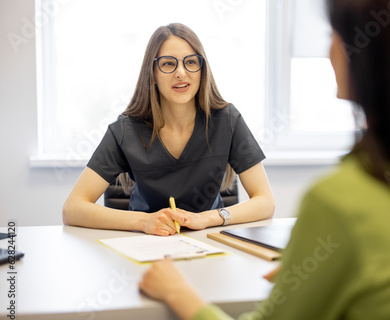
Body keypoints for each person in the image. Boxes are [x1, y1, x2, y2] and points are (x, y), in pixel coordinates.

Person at [139, 0, 390, 320]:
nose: (328, 49)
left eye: (334, 35)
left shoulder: (339, 203)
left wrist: (178, 291)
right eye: (169, 64)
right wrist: (322, 269)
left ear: (370, 56)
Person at [63, 23, 275, 235]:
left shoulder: (227, 120)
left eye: (191, 62)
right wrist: (144, 222)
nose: (181, 73)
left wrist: (206, 218)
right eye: (167, 64)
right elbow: (72, 209)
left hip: (209, 241)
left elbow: (265, 202)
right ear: (152, 73)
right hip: (144, 245)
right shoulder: (126, 130)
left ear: (202, 70)